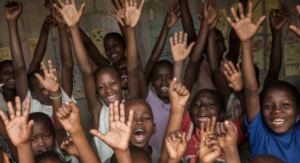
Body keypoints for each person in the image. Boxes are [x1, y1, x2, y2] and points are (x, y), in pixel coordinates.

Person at [229, 2, 300, 162]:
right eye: (268, 106)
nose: (276, 111)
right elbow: (251, 89)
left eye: (285, 105)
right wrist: (246, 43)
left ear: (298, 112)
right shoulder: (259, 131)